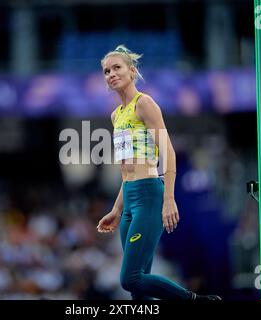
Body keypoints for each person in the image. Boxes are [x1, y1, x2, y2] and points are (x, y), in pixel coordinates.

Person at [96, 45, 221, 300]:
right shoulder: (115, 115)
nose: (111, 74)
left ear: (132, 71)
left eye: (116, 68)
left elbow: (169, 153)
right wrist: (117, 209)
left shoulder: (144, 104)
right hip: (130, 198)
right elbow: (126, 169)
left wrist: (169, 198)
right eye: (106, 71)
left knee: (129, 278)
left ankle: (195, 299)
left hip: (149, 195)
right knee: (138, 289)